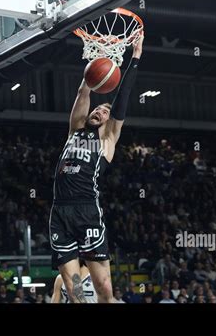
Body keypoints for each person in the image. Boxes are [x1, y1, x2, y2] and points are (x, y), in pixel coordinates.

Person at [49, 31, 144, 303]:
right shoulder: (74, 130)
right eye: (97, 109)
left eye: (104, 111)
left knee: (104, 289)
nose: (99, 112)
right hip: (60, 212)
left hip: (88, 209)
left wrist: (134, 58)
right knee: (73, 288)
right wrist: (96, 59)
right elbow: (84, 91)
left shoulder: (107, 139)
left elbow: (122, 100)